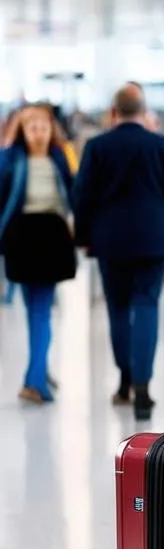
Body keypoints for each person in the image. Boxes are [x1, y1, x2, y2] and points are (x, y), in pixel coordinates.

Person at [72, 85, 164, 420]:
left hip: (110, 241)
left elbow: (82, 195)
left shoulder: (98, 147)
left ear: (114, 113)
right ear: (144, 113)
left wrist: (82, 236)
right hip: (152, 240)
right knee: (146, 306)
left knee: (117, 308)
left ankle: (125, 381)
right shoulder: (161, 145)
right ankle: (144, 387)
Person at [0, 104, 77, 403]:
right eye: (32, 128)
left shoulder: (59, 156)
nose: (39, 133)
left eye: (43, 127)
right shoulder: (9, 159)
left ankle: (36, 377)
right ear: (22, 130)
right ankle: (36, 378)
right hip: (22, 235)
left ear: (51, 129)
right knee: (35, 312)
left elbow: (73, 192)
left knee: (41, 311)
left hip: (52, 236)